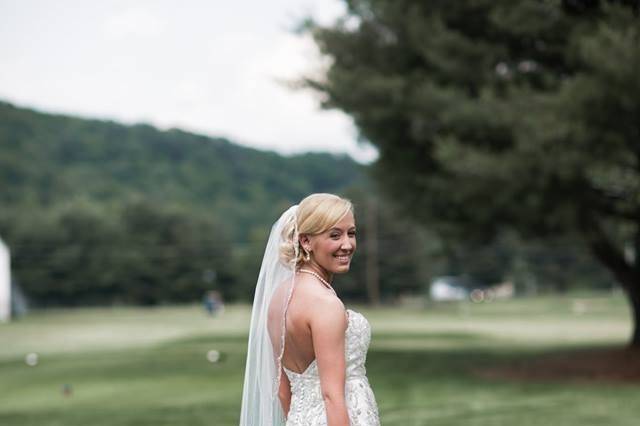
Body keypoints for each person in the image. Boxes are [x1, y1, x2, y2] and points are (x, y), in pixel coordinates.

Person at [240, 193, 380, 425]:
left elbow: (283, 390)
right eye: (335, 235)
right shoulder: (325, 304)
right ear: (306, 241)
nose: (347, 244)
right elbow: (332, 396)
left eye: (351, 233)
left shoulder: (279, 298)